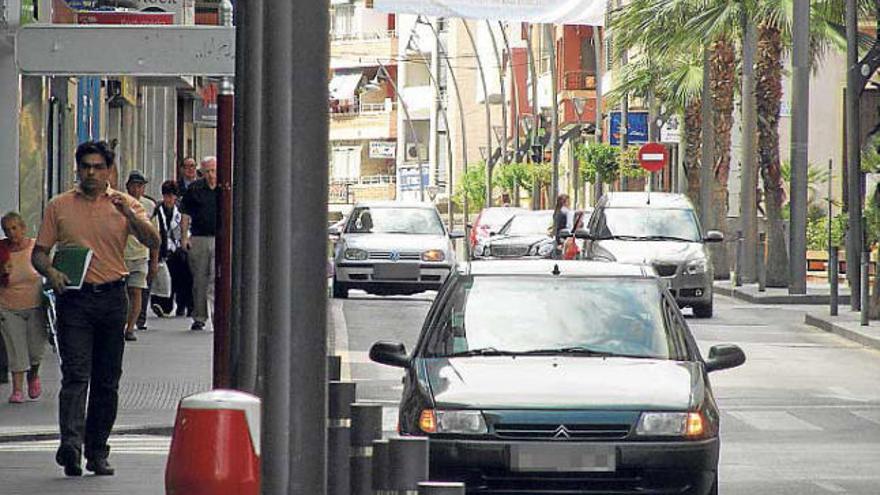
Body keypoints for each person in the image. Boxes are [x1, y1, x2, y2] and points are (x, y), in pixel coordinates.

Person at [32, 140, 160, 477]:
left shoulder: (125, 205)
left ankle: (97, 450)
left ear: (109, 170)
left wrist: (131, 216)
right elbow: (39, 252)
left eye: (98, 167)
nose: (91, 172)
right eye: (85, 166)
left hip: (112, 299)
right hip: (74, 299)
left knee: (107, 381)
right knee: (75, 375)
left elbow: (153, 241)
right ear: (78, 168)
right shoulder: (59, 206)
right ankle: (71, 446)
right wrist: (51, 272)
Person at [0, 212, 47, 404]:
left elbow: (47, 270)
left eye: (15, 228)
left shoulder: (35, 248)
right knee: (15, 348)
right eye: (7, 229)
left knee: (35, 351)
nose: (12, 233)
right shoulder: (1, 251)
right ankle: (17, 390)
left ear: (23, 228)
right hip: (8, 306)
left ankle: (33, 375)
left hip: (35, 306)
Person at [180, 156, 218, 331]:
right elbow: (185, 215)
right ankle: (199, 316)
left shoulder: (224, 188)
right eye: (207, 171)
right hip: (199, 238)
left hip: (220, 238)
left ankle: (218, 315)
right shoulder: (194, 189)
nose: (211, 175)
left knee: (216, 279)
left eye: (214, 170)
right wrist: (184, 237)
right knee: (199, 279)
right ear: (202, 172)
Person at [123, 171, 158, 341]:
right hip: (121, 255)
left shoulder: (149, 206)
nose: (137, 189)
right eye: (134, 185)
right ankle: (121, 324)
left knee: (136, 291)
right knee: (122, 294)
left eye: (140, 186)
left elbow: (155, 235)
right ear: (127, 186)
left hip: (140, 255)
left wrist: (154, 260)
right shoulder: (119, 202)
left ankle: (130, 328)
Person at [151, 180, 187, 316]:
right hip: (163, 249)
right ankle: (163, 305)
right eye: (166, 196)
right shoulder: (157, 209)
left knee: (180, 276)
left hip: (177, 249)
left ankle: (182, 304)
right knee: (163, 278)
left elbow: (185, 228)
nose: (169, 199)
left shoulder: (181, 209)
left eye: (171, 196)